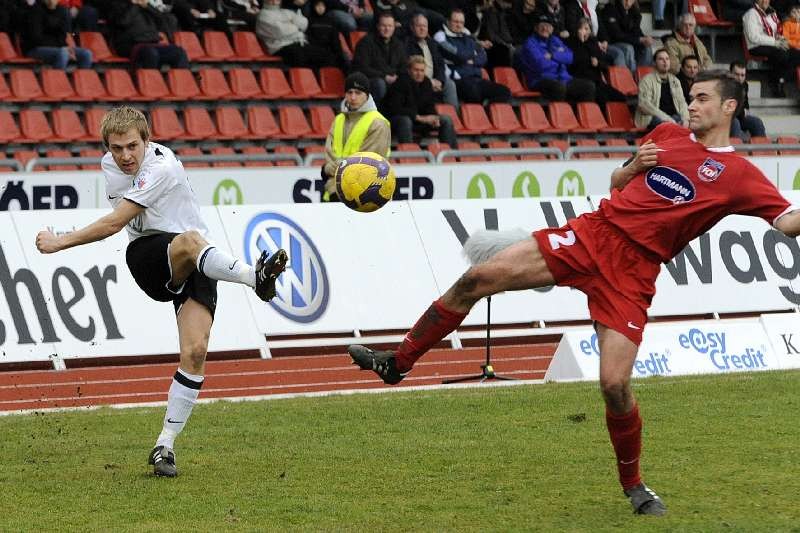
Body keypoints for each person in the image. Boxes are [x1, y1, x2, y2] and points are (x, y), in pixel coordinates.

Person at [347, 69, 800, 516]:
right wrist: (632, 166)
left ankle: (634, 484)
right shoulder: (666, 134)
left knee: (614, 385)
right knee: (476, 280)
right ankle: (397, 363)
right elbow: (617, 184)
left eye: (702, 98)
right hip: (592, 235)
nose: (692, 106)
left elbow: (786, 224)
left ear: (728, 107)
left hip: (633, 272)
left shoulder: (740, 174)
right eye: (691, 97)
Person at [34, 106, 288, 477]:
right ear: (108, 147)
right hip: (149, 255)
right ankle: (256, 277)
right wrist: (61, 243)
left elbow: (115, 218)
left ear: (147, 140)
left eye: (132, 146)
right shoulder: (111, 166)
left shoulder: (162, 165)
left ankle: (164, 446)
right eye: (117, 148)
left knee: (196, 351)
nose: (125, 156)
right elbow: (118, 223)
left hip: (198, 258)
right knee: (189, 241)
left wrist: (61, 241)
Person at [321, 72, 391, 201]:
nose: (353, 97)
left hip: (364, 198)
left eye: (358, 93)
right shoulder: (339, 119)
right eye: (349, 92)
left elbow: (367, 164)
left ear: (367, 95)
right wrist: (330, 168)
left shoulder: (378, 123)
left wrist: (329, 169)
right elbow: (328, 154)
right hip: (333, 193)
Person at [434, 7, 512, 103]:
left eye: (461, 22)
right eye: (456, 22)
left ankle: (487, 111)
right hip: (459, 79)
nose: (459, 25)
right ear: (448, 21)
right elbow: (458, 55)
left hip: (476, 78)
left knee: (505, 92)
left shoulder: (467, 36)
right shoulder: (441, 37)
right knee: (474, 93)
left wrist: (473, 60)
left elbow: (483, 56)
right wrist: (472, 54)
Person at [382, 55, 458, 148]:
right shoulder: (400, 83)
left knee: (446, 119)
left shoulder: (426, 83)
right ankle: (409, 155)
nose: (419, 73)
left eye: (422, 70)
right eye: (416, 70)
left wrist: (433, 118)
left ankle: (450, 154)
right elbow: (395, 109)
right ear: (409, 70)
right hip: (397, 121)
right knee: (405, 121)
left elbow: (429, 105)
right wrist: (418, 117)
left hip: (418, 120)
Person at [517, 13, 596, 102]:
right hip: (540, 79)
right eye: (542, 25)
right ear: (536, 28)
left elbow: (571, 57)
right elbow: (541, 65)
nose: (545, 28)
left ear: (552, 29)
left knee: (589, 87)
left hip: (562, 78)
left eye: (548, 26)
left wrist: (553, 56)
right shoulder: (530, 43)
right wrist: (561, 60)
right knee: (559, 88)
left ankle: (578, 114)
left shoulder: (555, 40)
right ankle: (560, 115)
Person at [106, 0, 190, 70]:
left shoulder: (145, 5)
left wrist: (147, 7)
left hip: (151, 42)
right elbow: (123, 21)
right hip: (130, 44)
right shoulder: (116, 3)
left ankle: (181, 86)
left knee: (179, 52)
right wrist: (135, 5)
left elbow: (161, 19)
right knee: (151, 53)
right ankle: (151, 86)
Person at [256, 0, 339, 68]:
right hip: (280, 47)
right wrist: (295, 26)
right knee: (300, 56)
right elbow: (280, 31)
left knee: (327, 55)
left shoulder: (286, 12)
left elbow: (304, 23)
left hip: (299, 43)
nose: (274, 1)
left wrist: (290, 24)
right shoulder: (263, 15)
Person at [744, 0, 800, 94]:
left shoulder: (772, 13)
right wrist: (775, 42)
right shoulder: (751, 14)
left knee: (797, 54)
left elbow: (777, 29)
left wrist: (779, 36)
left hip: (774, 44)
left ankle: (781, 78)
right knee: (782, 54)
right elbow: (753, 37)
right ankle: (776, 82)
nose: (765, 1)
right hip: (757, 46)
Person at [351, 10, 408, 104]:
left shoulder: (398, 44)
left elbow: (403, 67)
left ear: (394, 27)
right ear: (377, 26)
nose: (387, 29)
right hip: (370, 81)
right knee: (379, 84)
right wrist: (384, 76)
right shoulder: (366, 42)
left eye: (390, 26)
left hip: (392, 80)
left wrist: (397, 77)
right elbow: (362, 68)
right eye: (383, 26)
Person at [567, 17, 626, 105]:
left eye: (586, 29)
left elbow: (605, 65)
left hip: (597, 81)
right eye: (581, 28)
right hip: (583, 80)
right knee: (603, 99)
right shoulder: (572, 43)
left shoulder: (593, 42)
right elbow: (575, 62)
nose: (583, 31)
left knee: (621, 98)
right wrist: (581, 42)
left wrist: (598, 63)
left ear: (590, 31)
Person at [405, 12, 459, 107]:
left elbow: (440, 64)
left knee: (450, 84)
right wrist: (428, 81)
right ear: (412, 28)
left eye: (425, 26)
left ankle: (455, 116)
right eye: (419, 26)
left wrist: (439, 80)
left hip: (435, 80)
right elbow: (408, 68)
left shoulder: (433, 44)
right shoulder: (406, 44)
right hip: (418, 80)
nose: (422, 29)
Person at [21, 0, 93, 69]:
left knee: (86, 54)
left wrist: (65, 48)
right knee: (63, 53)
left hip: (58, 47)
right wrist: (62, 48)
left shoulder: (61, 11)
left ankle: (81, 79)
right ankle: (58, 79)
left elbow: (63, 35)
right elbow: (36, 37)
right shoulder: (35, 10)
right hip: (35, 48)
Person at [634, 48, 688, 130]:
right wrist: (666, 118)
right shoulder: (647, 80)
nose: (665, 62)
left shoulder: (675, 81)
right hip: (653, 118)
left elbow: (682, 103)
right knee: (666, 124)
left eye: (667, 59)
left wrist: (686, 119)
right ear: (654, 63)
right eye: (661, 59)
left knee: (688, 122)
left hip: (674, 118)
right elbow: (644, 105)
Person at [601, 0, 653, 72]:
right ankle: (630, 78)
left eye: (631, 0)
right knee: (628, 48)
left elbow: (636, 30)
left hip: (629, 41)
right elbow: (616, 35)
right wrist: (639, 40)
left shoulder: (634, 11)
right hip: (612, 42)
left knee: (647, 48)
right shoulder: (610, 9)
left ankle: (643, 78)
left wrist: (645, 39)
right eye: (625, 0)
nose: (628, 3)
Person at [729, 61, 767, 140]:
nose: (740, 78)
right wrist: (742, 112)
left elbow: (745, 103)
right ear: (730, 74)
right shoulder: (724, 86)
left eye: (742, 75)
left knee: (756, 122)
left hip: (739, 115)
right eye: (736, 74)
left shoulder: (744, 85)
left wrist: (745, 109)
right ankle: (735, 151)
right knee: (735, 123)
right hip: (726, 118)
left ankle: (760, 150)